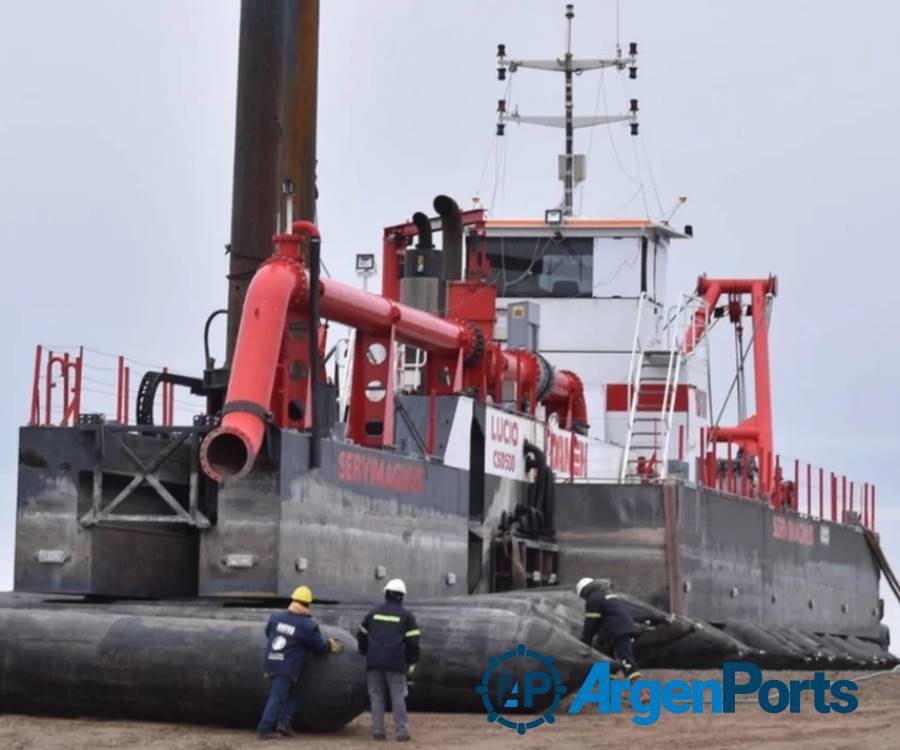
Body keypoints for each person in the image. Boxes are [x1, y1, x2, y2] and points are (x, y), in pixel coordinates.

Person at [257, 585, 343, 740]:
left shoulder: (276, 617)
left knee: (292, 694)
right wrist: (330, 644)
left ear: (293, 600)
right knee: (277, 696)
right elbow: (319, 647)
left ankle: (284, 724)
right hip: (287, 667)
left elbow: (268, 633)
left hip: (272, 660)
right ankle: (264, 729)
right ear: (308, 604)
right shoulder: (307, 625)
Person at [357, 579, 421, 742]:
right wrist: (411, 662)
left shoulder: (374, 612)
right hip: (396, 662)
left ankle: (378, 732)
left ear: (386, 593)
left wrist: (365, 651)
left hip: (374, 661)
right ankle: (402, 732)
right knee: (398, 697)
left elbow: (361, 632)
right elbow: (413, 642)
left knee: (376, 696)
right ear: (402, 596)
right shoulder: (407, 616)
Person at [575, 577, 641, 680]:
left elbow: (591, 624)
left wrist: (584, 642)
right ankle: (608, 689)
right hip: (620, 628)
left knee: (625, 659)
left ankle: (641, 691)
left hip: (616, 630)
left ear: (584, 591)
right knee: (608, 660)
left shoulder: (594, 599)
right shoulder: (606, 594)